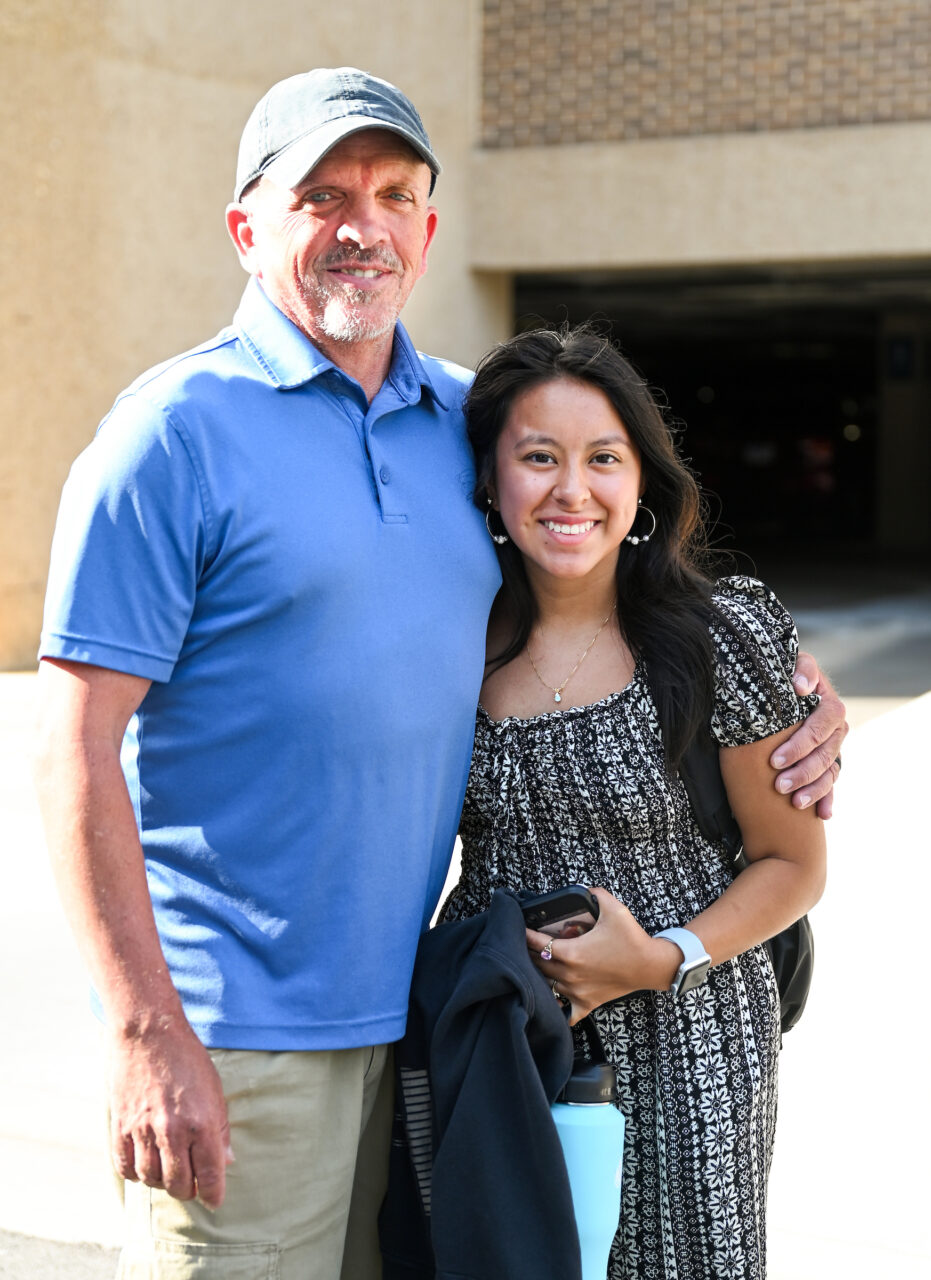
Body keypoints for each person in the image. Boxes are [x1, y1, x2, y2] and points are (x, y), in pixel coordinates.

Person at [32, 68, 842, 1280]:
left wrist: (791, 685)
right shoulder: (170, 435)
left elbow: (604, 559)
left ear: (427, 228)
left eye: (393, 194)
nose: (362, 225)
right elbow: (71, 745)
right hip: (236, 1036)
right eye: (322, 196)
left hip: (430, 1021)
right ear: (247, 228)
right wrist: (146, 1029)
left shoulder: (469, 423)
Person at [439, 324, 828, 1279]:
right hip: (502, 1037)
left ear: (643, 481)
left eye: (603, 458)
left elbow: (793, 864)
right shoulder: (444, 639)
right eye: (539, 457)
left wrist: (657, 959)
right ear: (489, 480)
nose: (572, 490)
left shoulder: (716, 636)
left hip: (691, 1041)